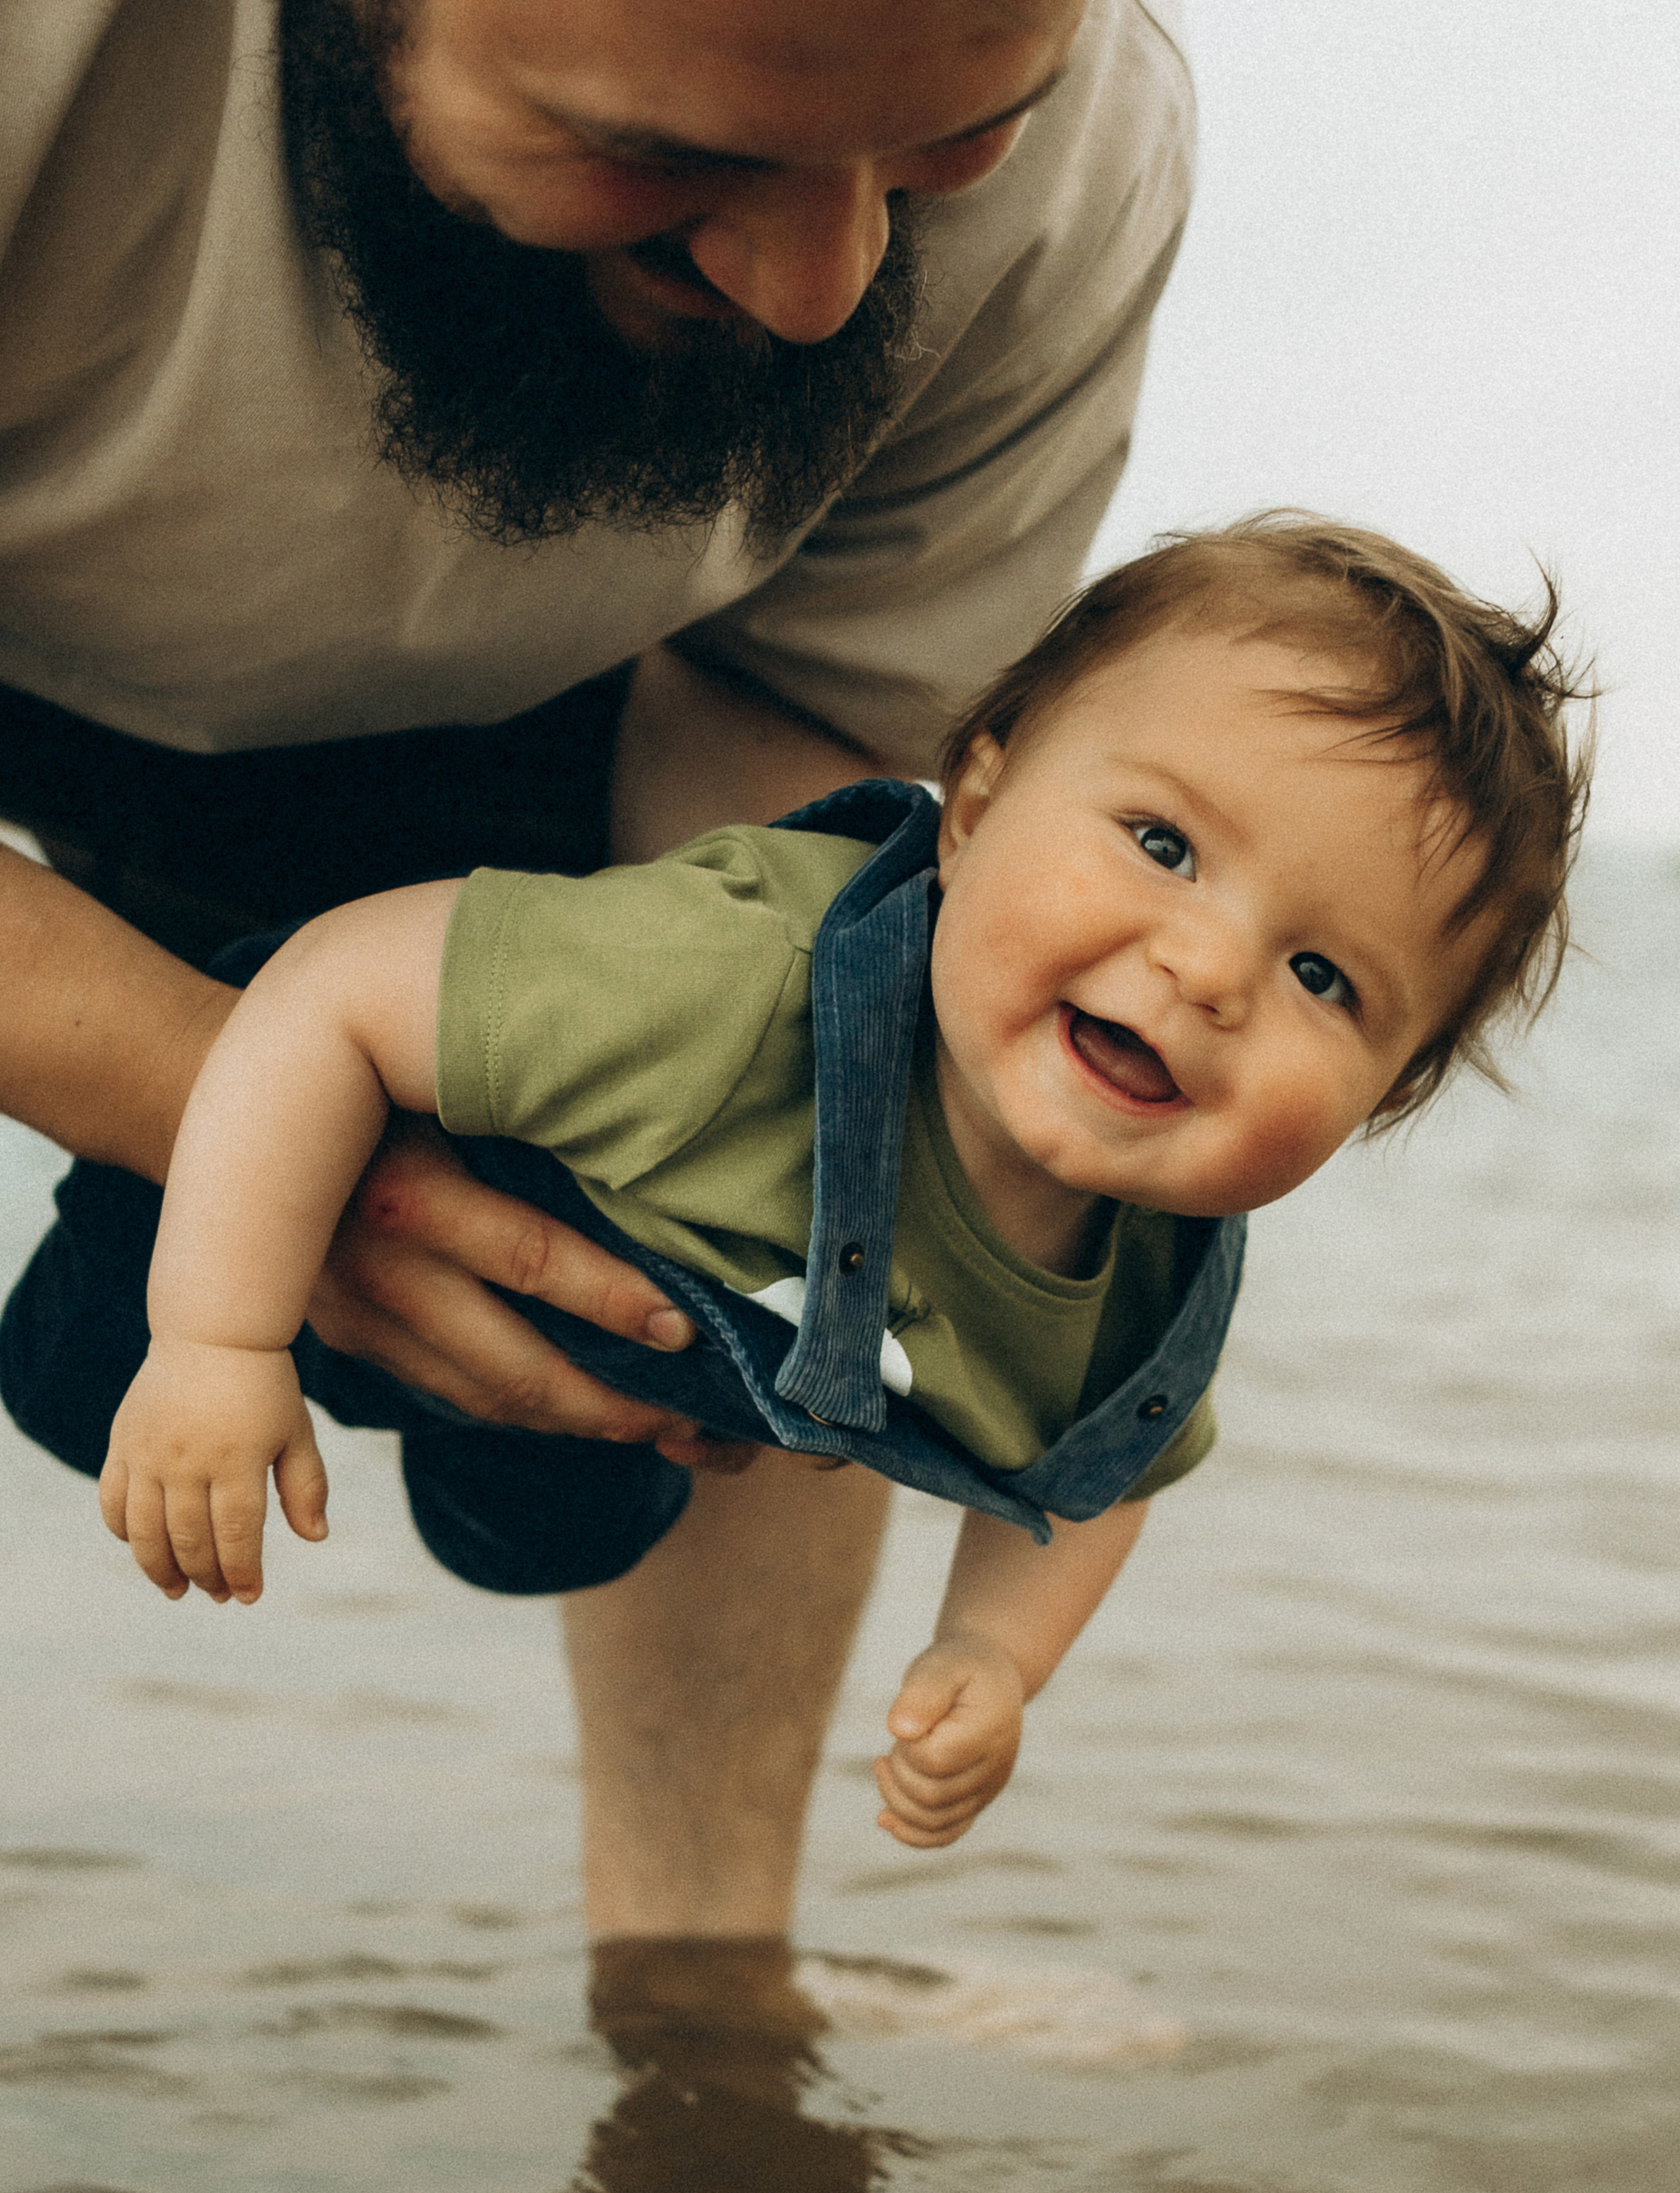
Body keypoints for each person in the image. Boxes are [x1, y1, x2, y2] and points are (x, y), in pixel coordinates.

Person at [0, 0, 1271, 1932]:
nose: (822, 287)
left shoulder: (1092, 132)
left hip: (592, 674)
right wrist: (251, 1125)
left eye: (941, 140)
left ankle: (703, 2011)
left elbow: (835, 935)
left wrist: (617, 1205)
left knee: (839, 1107)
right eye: (667, 145)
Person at [49, 516, 1586, 1851]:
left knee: (549, 1540)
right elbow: (333, 993)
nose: (1206, 969)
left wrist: (992, 1654)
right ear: (974, 807)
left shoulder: (1149, 1282)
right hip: (338, 1142)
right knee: (82, 1386)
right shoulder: (723, 984)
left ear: (1386, 1092)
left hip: (627, 1362)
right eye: (1161, 843)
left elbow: (1094, 1471)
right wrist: (218, 1339)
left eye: (1322, 974)